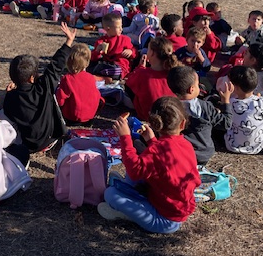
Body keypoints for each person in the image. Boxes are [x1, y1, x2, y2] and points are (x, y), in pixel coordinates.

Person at [97, 97, 201, 234]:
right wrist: (151, 140)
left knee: (110, 194)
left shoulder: (156, 151)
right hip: (171, 205)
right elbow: (163, 159)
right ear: (182, 124)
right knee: (138, 165)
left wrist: (125, 137)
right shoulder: (186, 144)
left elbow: (134, 170)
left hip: (165, 221)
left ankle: (126, 214)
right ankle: (127, 192)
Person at [2, 22, 76, 153]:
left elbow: (9, 113)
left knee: (1, 113)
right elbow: (55, 66)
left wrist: (7, 95)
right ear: (32, 78)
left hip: (27, 144)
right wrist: (68, 42)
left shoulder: (11, 97)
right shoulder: (44, 86)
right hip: (50, 139)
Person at [167, 66, 232, 166]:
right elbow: (226, 124)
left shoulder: (170, 108)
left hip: (181, 154)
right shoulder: (205, 107)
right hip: (203, 154)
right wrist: (226, 102)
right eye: (198, 84)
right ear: (191, 89)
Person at [124, 37, 179, 121]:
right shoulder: (173, 74)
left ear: (152, 53)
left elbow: (128, 82)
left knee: (130, 86)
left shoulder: (143, 73)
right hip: (171, 116)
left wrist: (140, 67)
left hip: (148, 116)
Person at [56, 43, 103, 125]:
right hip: (89, 117)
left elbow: (60, 100)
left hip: (71, 117)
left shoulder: (67, 79)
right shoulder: (91, 77)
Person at [90, 13, 136, 79]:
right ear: (108, 29)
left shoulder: (125, 39)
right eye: (118, 27)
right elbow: (93, 58)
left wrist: (131, 51)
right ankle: (102, 74)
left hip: (119, 66)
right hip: (106, 64)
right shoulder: (101, 41)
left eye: (121, 26)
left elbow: (135, 52)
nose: (121, 29)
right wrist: (97, 51)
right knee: (92, 64)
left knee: (114, 70)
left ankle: (99, 73)